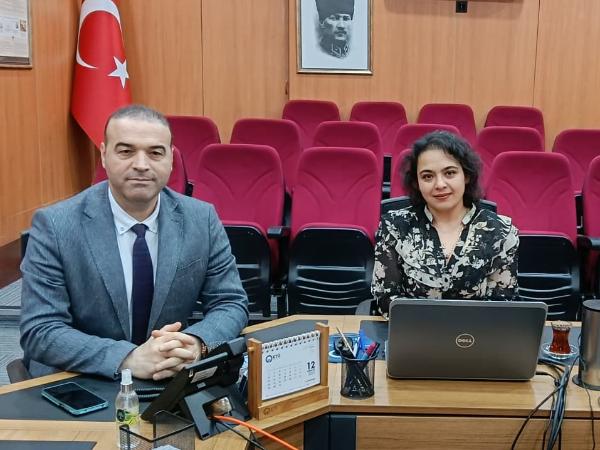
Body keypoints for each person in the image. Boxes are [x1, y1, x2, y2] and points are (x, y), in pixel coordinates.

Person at [20, 105, 249, 380]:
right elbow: (40, 329)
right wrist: (127, 358)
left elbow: (230, 302)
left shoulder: (201, 219)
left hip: (169, 372)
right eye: (126, 151)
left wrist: (196, 344)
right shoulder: (56, 226)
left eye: (155, 153)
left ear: (171, 160)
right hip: (83, 376)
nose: (141, 165)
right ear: (104, 155)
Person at [371, 131, 519, 317]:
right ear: (417, 183)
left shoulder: (502, 232)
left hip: (477, 333)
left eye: (449, 173)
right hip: (412, 331)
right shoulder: (393, 227)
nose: (439, 184)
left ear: (466, 175)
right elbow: (385, 298)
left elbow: (503, 306)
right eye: (427, 176)